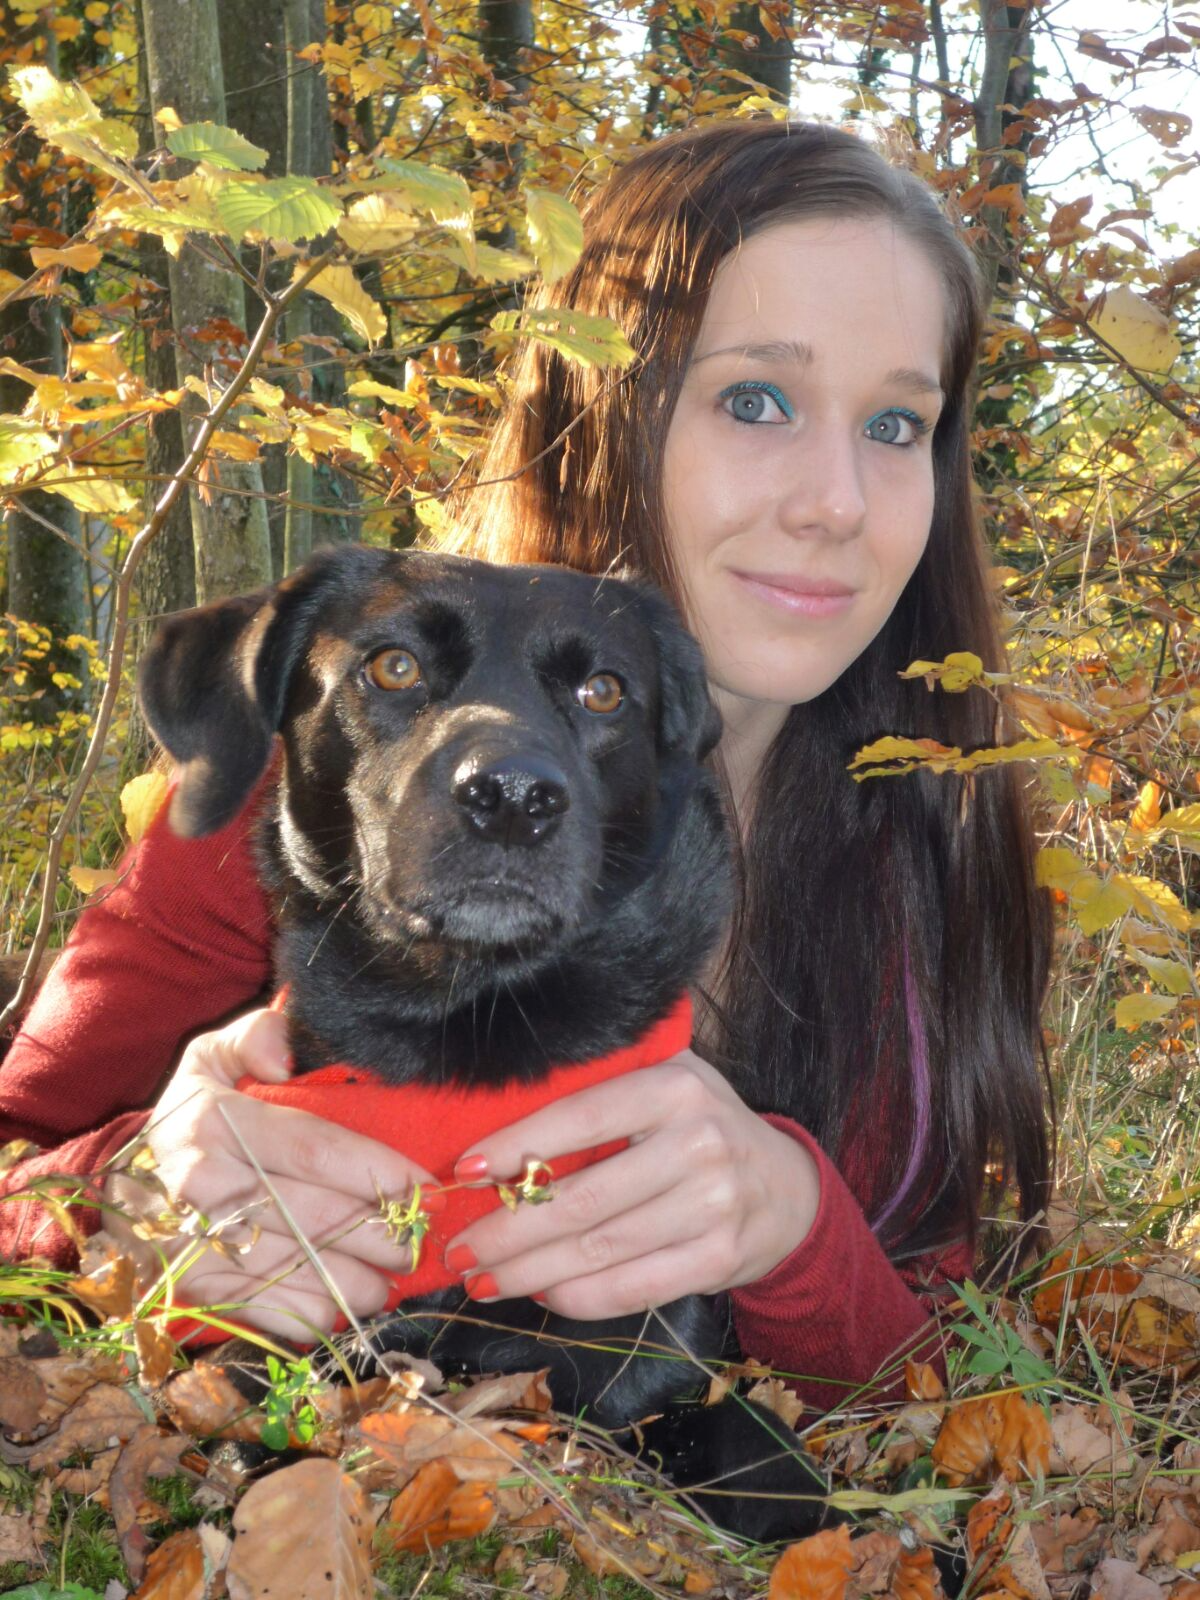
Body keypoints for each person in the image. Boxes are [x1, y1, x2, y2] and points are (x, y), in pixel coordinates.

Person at [0, 120, 1051, 1413]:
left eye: (896, 423)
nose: (837, 500)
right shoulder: (309, 786)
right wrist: (121, 1195)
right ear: (599, 408)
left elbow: (943, 1378)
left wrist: (790, 1224)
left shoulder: (920, 846)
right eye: (756, 400)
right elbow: (21, 1153)